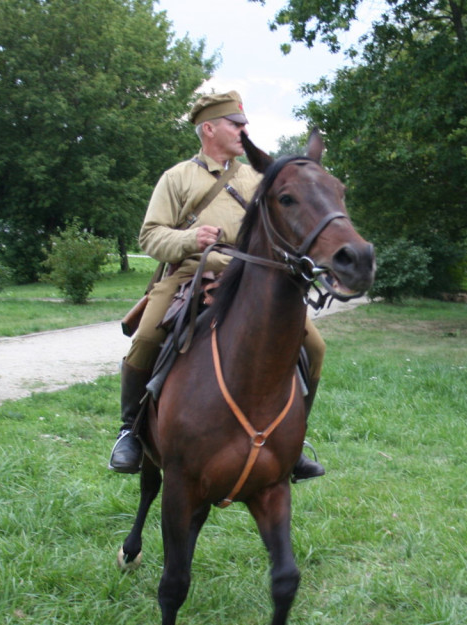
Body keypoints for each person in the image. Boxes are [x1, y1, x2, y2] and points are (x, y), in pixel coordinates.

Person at [108, 91, 327, 482]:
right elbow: (149, 236)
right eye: (236, 124)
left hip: (252, 281)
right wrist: (190, 240)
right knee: (145, 338)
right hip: (188, 275)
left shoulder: (259, 177)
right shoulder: (176, 178)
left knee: (314, 345)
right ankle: (129, 432)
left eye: (244, 124)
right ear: (208, 128)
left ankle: (294, 442)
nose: (245, 130)